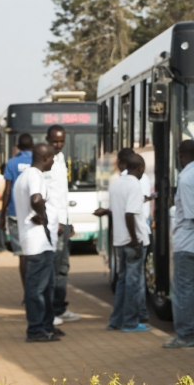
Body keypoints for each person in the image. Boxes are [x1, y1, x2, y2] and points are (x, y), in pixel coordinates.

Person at [95, 152, 150, 333]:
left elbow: (116, 210)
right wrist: (135, 239)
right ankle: (130, 323)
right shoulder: (135, 185)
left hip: (119, 240)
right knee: (133, 284)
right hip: (133, 241)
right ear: (139, 168)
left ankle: (116, 320)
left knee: (122, 281)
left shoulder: (116, 183)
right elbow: (129, 214)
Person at [165, 140, 194, 348]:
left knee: (183, 291)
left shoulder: (185, 178)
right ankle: (191, 332)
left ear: (180, 155)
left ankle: (186, 335)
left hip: (187, 242)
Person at [14, 143, 60, 342]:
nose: (52, 162)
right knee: (37, 289)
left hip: (36, 241)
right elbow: (36, 198)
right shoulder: (35, 175)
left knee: (47, 287)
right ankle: (36, 330)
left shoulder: (22, 177)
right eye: (51, 158)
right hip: (37, 242)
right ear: (45, 158)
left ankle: (46, 326)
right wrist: (42, 215)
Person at [46, 126, 82, 325]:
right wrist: (55, 221)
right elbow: (42, 196)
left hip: (64, 222)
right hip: (54, 224)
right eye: (55, 141)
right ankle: (49, 312)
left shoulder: (61, 160)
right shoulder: (45, 161)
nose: (58, 145)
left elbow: (62, 195)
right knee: (51, 268)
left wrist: (69, 221)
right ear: (47, 139)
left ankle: (60, 308)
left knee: (63, 267)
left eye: (61, 141)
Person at [0, 133, 35, 287]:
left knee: (22, 255)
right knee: (35, 253)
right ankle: (36, 291)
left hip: (15, 214)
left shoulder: (12, 163)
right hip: (35, 214)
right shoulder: (38, 160)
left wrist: (2, 214)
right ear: (32, 146)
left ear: (18, 147)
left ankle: (27, 292)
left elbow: (7, 191)